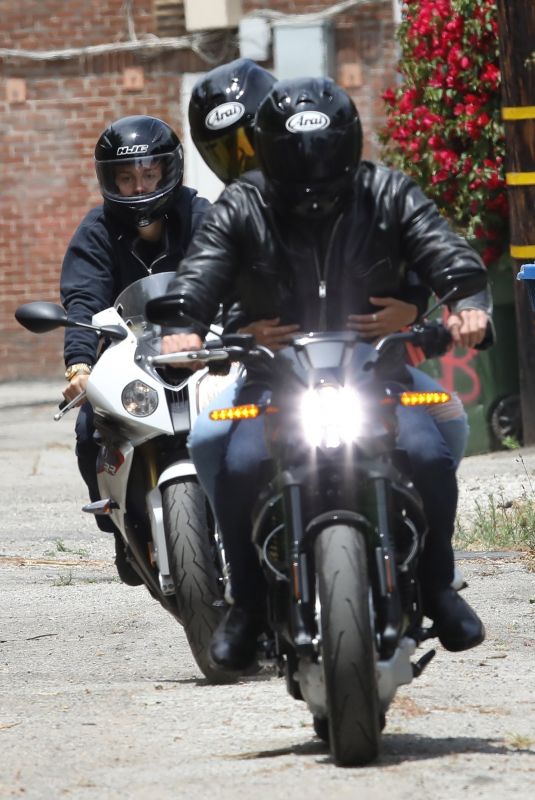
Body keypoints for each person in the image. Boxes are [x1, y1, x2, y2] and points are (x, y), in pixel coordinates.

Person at [159, 77, 491, 671]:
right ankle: (251, 605)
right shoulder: (245, 203)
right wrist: (184, 324)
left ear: (348, 143)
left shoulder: (386, 191)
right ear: (268, 150)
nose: (312, 167)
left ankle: (438, 585)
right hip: (275, 374)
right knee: (234, 461)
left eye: (324, 150)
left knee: (430, 451)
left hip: (375, 369)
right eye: (295, 153)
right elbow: (201, 270)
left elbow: (443, 248)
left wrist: (467, 302)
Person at [187, 61, 470, 532]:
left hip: (366, 366)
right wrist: (226, 332)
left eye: (250, 145)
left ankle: (433, 561)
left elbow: (415, 254)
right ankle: (241, 579)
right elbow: (208, 284)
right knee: (210, 441)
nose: (245, 163)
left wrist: (418, 307)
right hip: (275, 371)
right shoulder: (236, 210)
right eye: (229, 151)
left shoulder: (369, 194)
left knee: (442, 429)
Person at [60, 114, 210, 584]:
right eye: (126, 177)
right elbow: (83, 298)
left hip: (203, 347)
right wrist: (79, 364)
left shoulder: (201, 215)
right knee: (90, 428)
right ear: (109, 179)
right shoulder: (96, 230)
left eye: (149, 173)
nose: (138, 185)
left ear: (169, 171)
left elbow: (228, 271)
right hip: (128, 356)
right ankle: (119, 528)